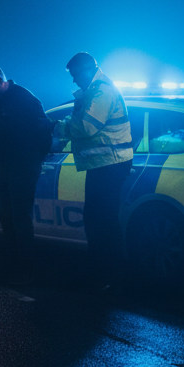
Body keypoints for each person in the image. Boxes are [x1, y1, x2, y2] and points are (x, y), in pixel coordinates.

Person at [53, 52, 133, 289]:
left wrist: (57, 127)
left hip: (109, 163)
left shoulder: (102, 91)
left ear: (87, 69)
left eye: (75, 74)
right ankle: (105, 272)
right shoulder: (97, 90)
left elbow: (86, 126)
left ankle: (108, 275)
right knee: (99, 218)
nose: (74, 80)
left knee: (101, 220)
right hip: (105, 163)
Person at [0, 65, 52, 280]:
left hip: (24, 166)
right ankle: (11, 260)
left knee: (20, 216)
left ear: (0, 80)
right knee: (6, 215)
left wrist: (34, 159)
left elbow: (44, 130)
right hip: (4, 165)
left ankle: (26, 266)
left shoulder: (25, 99)